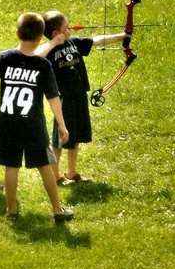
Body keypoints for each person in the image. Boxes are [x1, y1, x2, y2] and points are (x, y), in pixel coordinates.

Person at [0, 13, 74, 222]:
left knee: (12, 166)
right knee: (45, 165)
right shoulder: (43, 66)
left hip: (8, 124)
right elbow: (53, 97)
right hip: (33, 125)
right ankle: (57, 211)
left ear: (17, 33)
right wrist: (62, 125)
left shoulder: (5, 57)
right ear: (40, 38)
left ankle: (11, 210)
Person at [36, 10, 128, 184]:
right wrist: (53, 43)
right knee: (60, 138)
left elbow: (98, 40)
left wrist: (123, 36)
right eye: (67, 27)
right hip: (63, 99)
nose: (71, 29)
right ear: (56, 33)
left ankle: (71, 172)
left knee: (76, 135)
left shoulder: (75, 42)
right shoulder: (48, 50)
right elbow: (35, 57)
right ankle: (55, 176)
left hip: (79, 95)